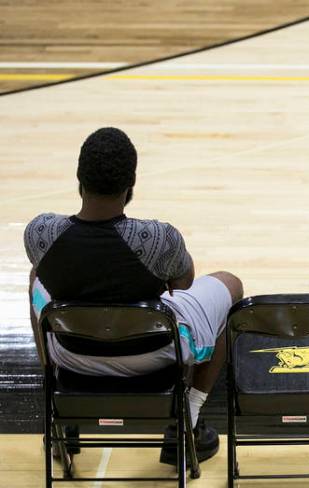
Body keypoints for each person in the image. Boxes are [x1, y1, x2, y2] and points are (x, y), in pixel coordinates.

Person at [24, 127, 243, 464]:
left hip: (72, 353)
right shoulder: (159, 238)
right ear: (131, 186)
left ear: (79, 180)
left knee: (36, 276)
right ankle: (190, 420)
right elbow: (182, 287)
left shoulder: (41, 233)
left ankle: (56, 409)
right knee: (230, 285)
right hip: (151, 353)